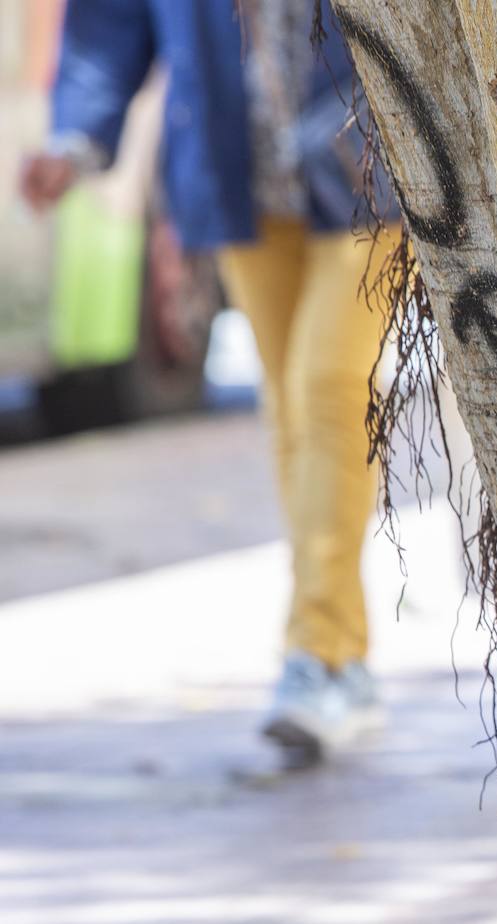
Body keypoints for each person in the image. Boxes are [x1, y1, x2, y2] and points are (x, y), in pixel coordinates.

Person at [20, 0, 399, 767]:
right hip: (242, 177)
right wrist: (74, 137)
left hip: (371, 170)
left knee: (329, 388)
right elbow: (110, 21)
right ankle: (344, 659)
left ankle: (317, 656)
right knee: (291, 407)